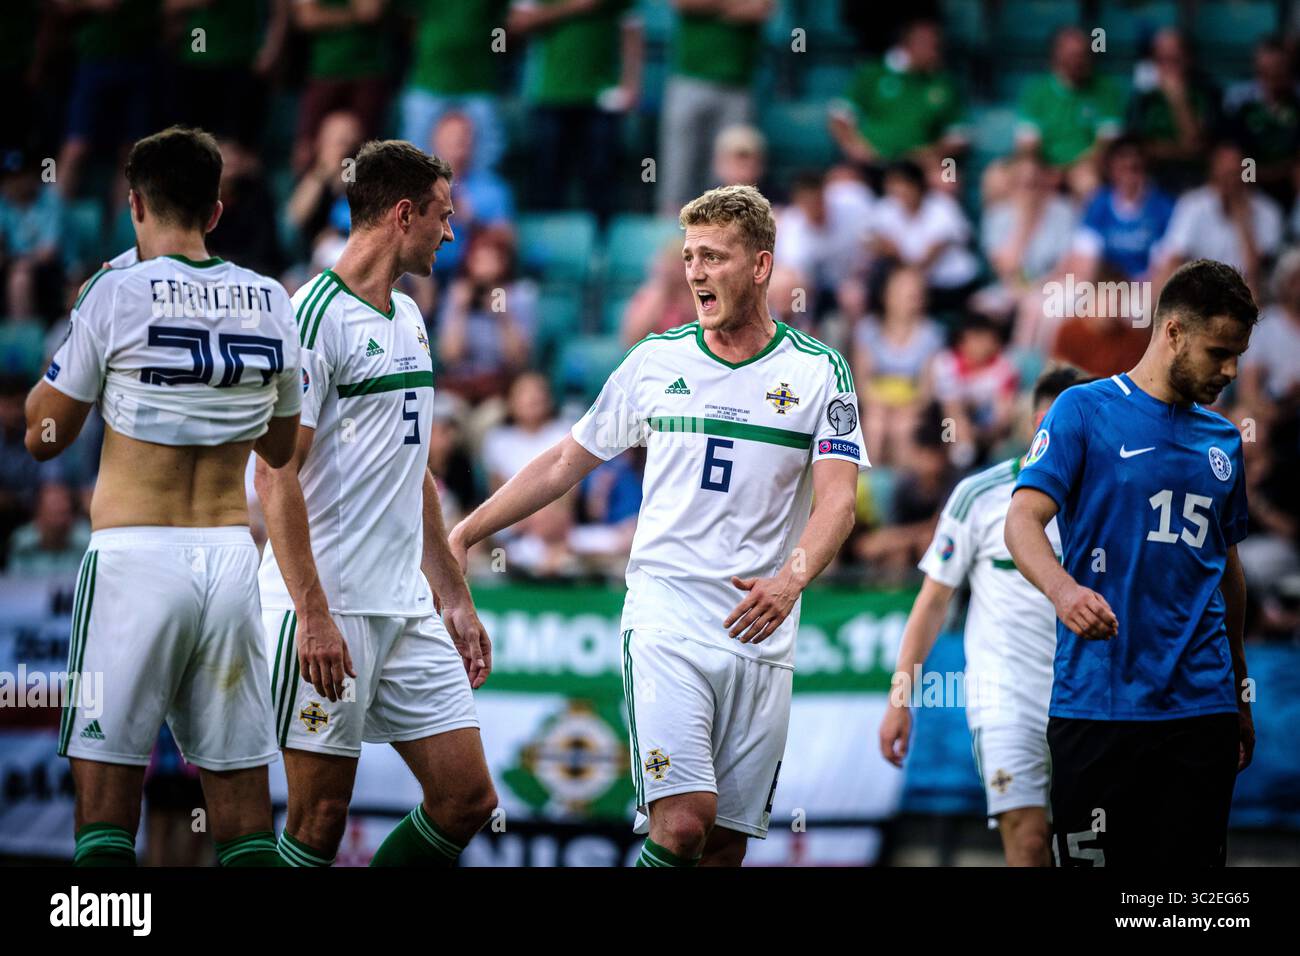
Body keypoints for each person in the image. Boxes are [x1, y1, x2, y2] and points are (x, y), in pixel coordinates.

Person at [450, 184, 864, 866]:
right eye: (690, 257)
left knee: (723, 847)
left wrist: (790, 581)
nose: (696, 272)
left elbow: (839, 503)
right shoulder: (655, 360)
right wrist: (467, 531)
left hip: (762, 629)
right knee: (682, 825)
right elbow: (561, 462)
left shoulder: (819, 372)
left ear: (760, 267)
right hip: (667, 615)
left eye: (715, 257)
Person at [23, 126, 302, 867]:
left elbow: (44, 436)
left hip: (134, 558)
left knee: (106, 805)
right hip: (229, 559)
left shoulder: (114, 291)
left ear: (134, 203)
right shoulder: (274, 299)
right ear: (216, 211)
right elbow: (279, 452)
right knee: (243, 814)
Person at [255, 139, 498, 868]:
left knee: (467, 800)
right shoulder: (310, 319)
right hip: (328, 607)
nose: (450, 233)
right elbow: (276, 476)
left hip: (404, 607)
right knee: (320, 817)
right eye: (442, 217)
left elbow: (414, 470)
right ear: (402, 215)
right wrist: (314, 614)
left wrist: (452, 595)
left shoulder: (409, 316)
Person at [1005, 258, 1258, 867]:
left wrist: (1240, 692)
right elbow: (1021, 521)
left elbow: (1226, 569)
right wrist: (1066, 593)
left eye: (1238, 355)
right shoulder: (1082, 410)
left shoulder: (1223, 440)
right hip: (1098, 702)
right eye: (1219, 352)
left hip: (1201, 708)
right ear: (1172, 332)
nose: (1230, 370)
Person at [880, 366, 1087, 867]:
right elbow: (933, 602)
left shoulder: (1108, 500)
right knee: (1030, 842)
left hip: (1090, 703)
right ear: (1043, 421)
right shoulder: (980, 495)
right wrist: (899, 698)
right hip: (1006, 700)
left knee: (1083, 850)